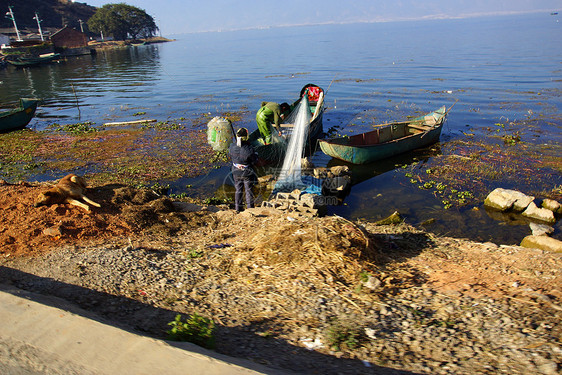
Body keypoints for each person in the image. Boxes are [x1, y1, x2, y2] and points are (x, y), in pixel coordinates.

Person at [229, 127, 258, 212]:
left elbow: (232, 155)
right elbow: (254, 160)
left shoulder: (232, 146)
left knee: (238, 190)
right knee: (248, 190)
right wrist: (256, 154)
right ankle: (250, 209)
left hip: (235, 172)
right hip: (246, 173)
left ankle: (238, 209)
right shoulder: (249, 149)